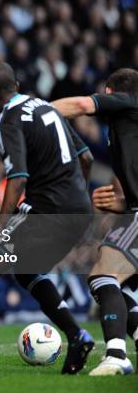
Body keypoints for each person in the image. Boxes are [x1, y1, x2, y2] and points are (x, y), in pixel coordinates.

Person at [0, 61, 94, 375]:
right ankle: (77, 334)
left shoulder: (8, 120)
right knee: (28, 271)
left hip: (47, 211)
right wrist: (78, 201)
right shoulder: (47, 108)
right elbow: (86, 157)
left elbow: (17, 178)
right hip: (79, 210)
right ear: (17, 83)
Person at [52, 67, 138, 375]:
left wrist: (34, 113)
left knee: (104, 275)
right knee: (121, 288)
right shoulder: (123, 129)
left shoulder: (128, 102)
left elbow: (82, 106)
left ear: (111, 94)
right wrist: (122, 201)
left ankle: (116, 355)